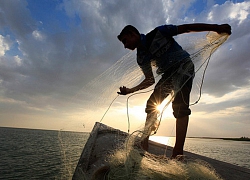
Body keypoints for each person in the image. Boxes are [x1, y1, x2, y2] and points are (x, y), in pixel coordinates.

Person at [117, 23, 231, 158]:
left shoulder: (159, 32)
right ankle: (144, 143)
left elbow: (186, 28)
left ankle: (178, 151)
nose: (125, 46)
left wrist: (216, 28)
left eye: (125, 41)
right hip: (169, 75)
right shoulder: (141, 57)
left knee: (180, 107)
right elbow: (149, 80)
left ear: (132, 34)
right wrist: (130, 90)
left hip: (184, 66)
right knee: (151, 104)